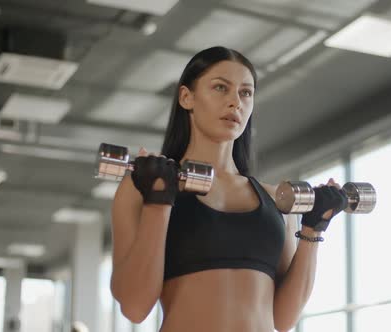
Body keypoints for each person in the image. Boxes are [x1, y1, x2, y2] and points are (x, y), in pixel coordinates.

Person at [110, 46, 348, 332]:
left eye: (245, 93)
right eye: (221, 88)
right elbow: (135, 307)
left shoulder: (276, 200)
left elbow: (282, 320)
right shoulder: (141, 186)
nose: (235, 102)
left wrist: (313, 229)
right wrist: (159, 200)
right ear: (187, 97)